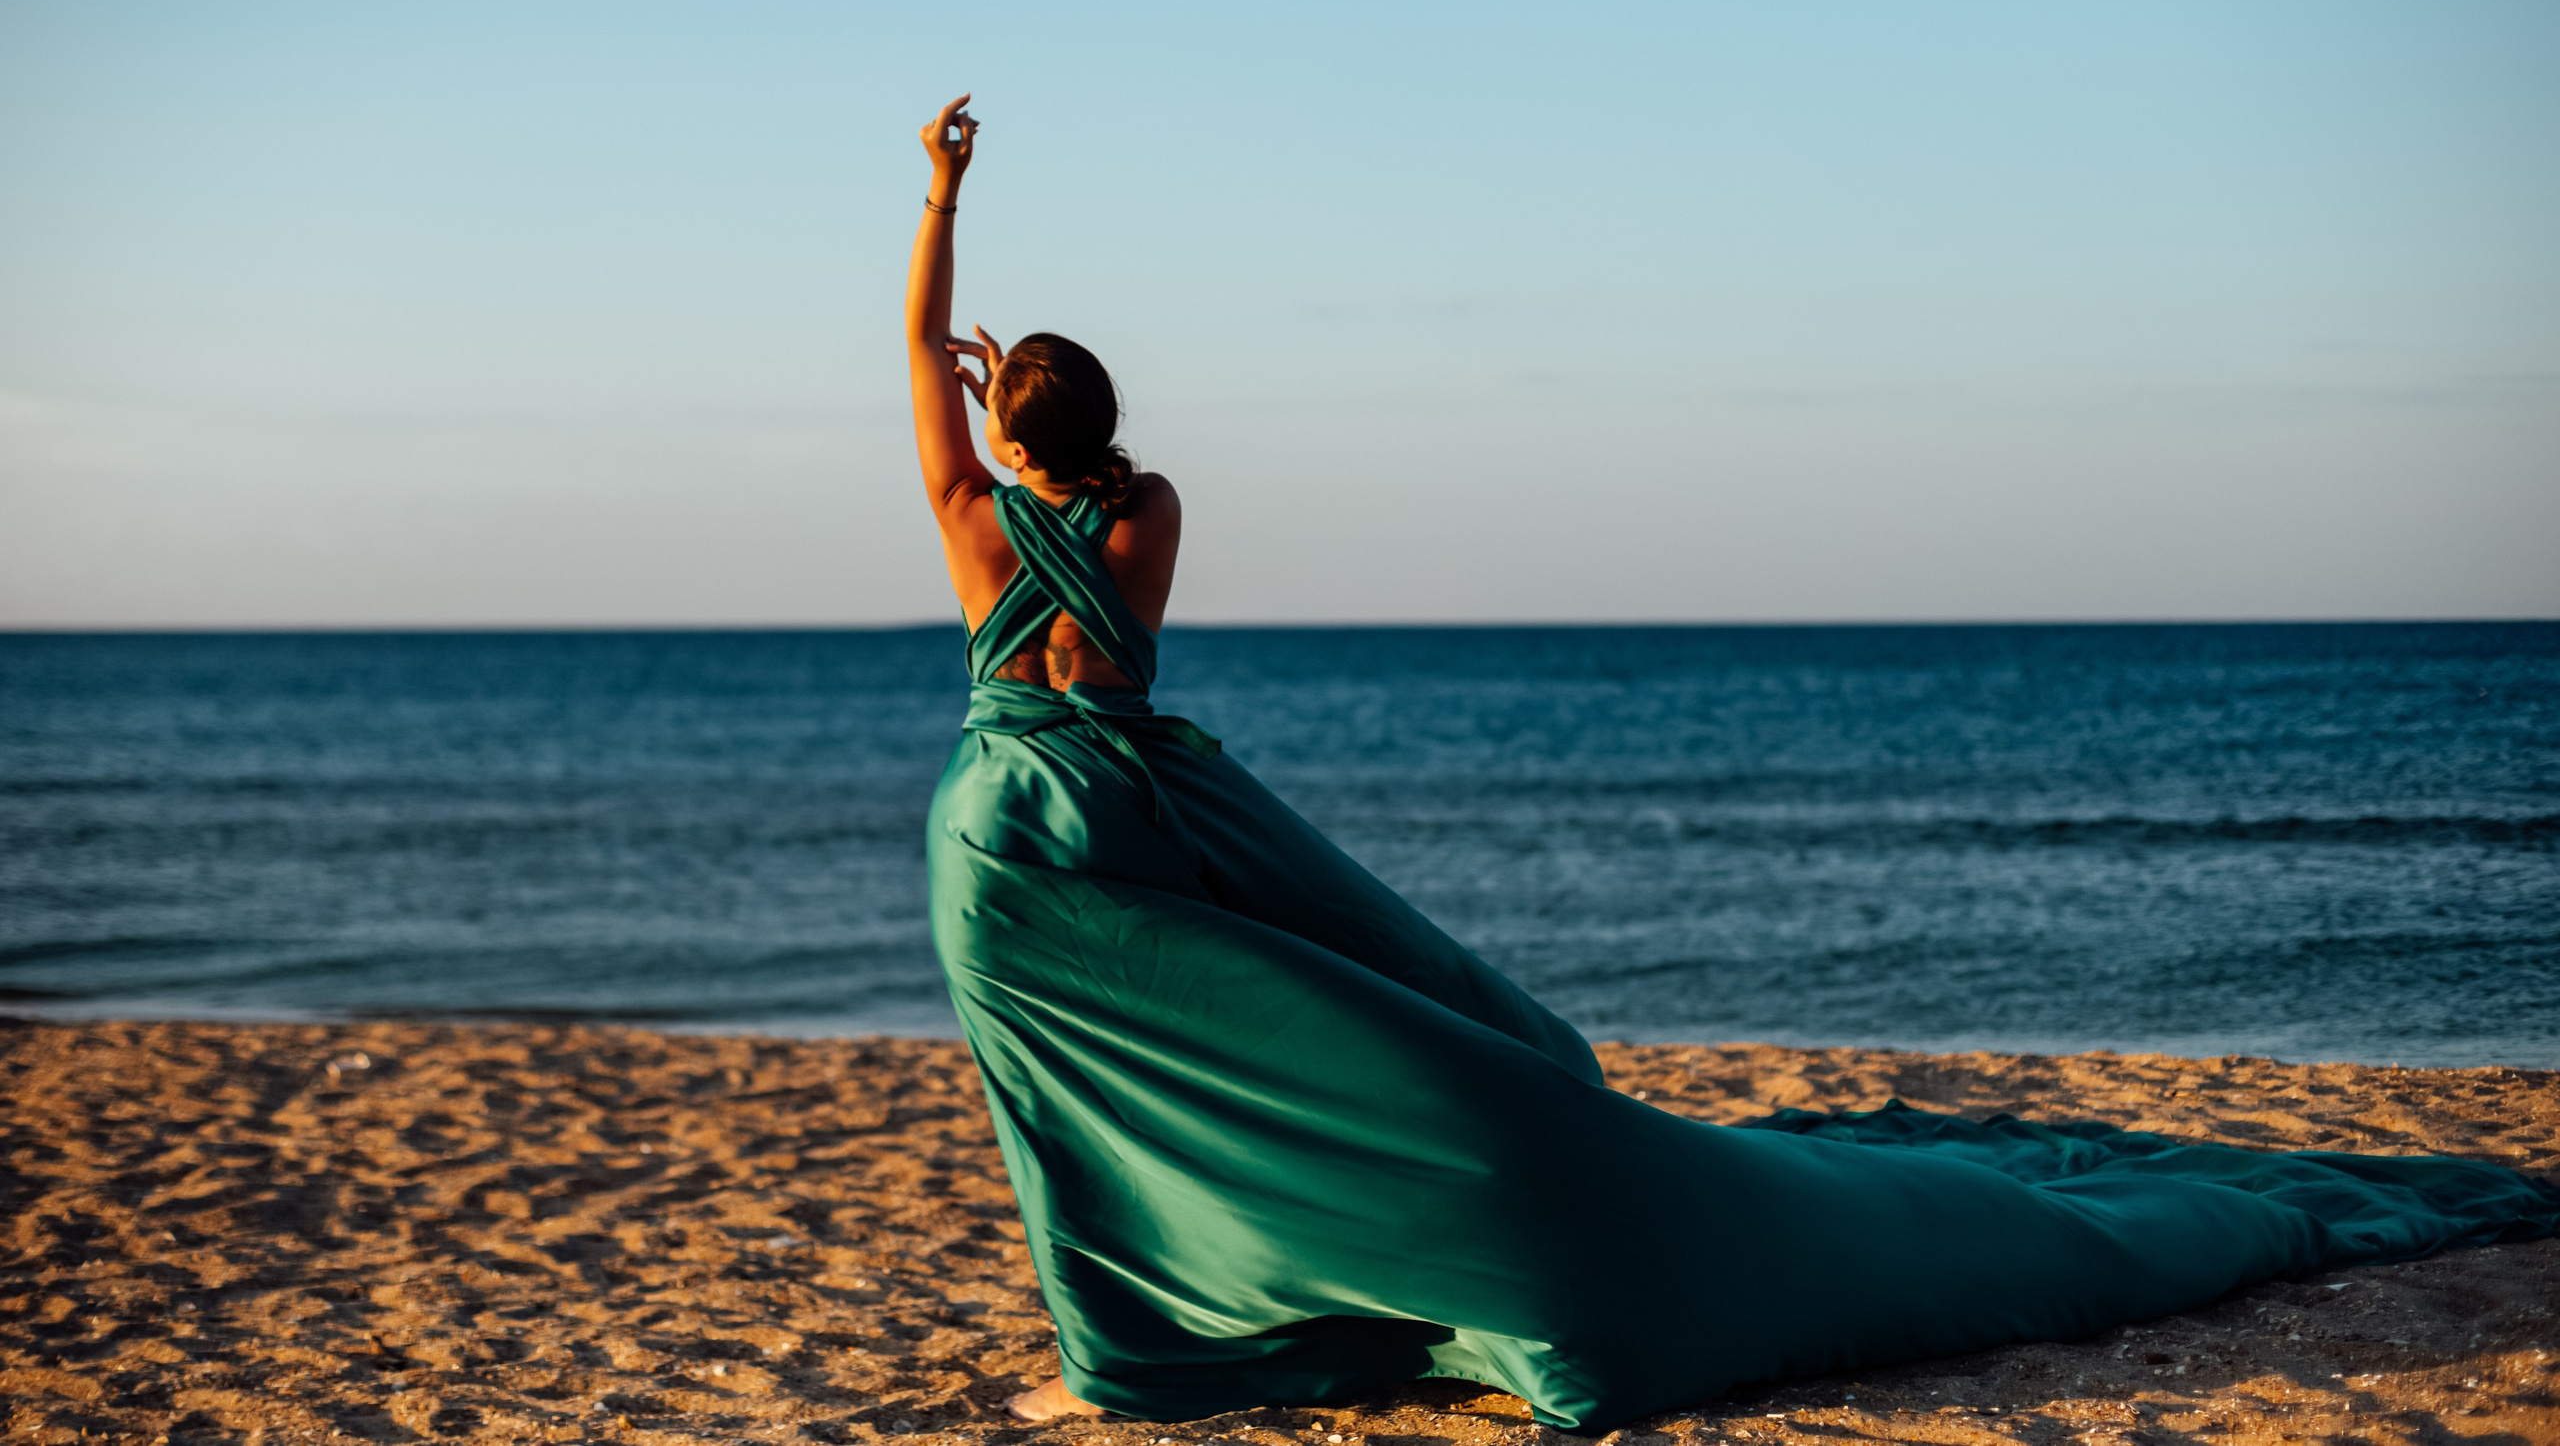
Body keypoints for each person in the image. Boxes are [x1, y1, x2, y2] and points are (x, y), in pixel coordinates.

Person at [899, 94, 2560, 1432]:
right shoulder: (1149, 510)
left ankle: (1150, 1320)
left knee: (1091, 1094)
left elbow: (920, 373)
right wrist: (1025, 389)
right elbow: (1070, 474)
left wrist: (941, 211)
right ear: (1098, 427)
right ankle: (1307, 1271)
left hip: (999, 843)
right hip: (1132, 789)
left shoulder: (975, 523)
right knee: (1320, 1024)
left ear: (1002, 438)